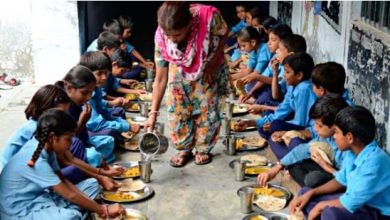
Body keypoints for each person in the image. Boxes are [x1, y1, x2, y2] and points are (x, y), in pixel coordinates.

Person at [0, 109, 126, 219]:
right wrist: (103, 210)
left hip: (43, 198)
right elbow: (70, 194)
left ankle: (76, 210)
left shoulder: (47, 149)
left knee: (92, 184)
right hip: (20, 211)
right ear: (53, 137)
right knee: (70, 216)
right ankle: (75, 211)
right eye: (68, 139)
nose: (71, 143)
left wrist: (100, 208)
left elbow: (63, 181)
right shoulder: (35, 159)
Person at [145, 1, 228, 167]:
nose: (172, 40)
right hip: (179, 73)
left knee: (208, 109)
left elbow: (225, 32)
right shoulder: (162, 38)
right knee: (177, 109)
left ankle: (203, 149)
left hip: (208, 66)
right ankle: (184, 149)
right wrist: (152, 113)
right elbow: (160, 78)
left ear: (190, 24)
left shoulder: (208, 18)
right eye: (168, 35)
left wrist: (215, 60)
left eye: (177, 35)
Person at [289, 106, 390, 220]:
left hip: (377, 213)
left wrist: (320, 206)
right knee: (304, 194)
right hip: (358, 203)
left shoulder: (375, 162)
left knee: (330, 214)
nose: (334, 136)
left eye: (336, 132)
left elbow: (350, 203)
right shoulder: (352, 152)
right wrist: (311, 193)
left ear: (349, 137)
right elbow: (340, 181)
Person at [237, 52, 317, 159]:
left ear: (299, 75)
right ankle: (288, 154)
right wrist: (252, 123)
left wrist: (282, 130)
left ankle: (291, 157)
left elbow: (301, 123)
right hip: (296, 125)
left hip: (307, 130)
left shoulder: (304, 88)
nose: (284, 75)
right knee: (264, 128)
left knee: (275, 127)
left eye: (287, 72)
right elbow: (281, 111)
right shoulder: (292, 86)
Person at [258, 94, 349, 188]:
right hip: (322, 166)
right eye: (315, 124)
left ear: (335, 126)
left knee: (312, 179)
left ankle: (314, 190)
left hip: (336, 175)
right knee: (294, 164)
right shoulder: (326, 136)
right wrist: (276, 169)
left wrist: (326, 166)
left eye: (319, 126)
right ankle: (311, 187)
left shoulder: (346, 145)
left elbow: (348, 180)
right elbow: (304, 149)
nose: (315, 129)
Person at [79, 51, 141, 151]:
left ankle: (119, 140)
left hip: (95, 123)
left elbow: (104, 112)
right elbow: (96, 124)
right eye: (99, 73)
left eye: (106, 73)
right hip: (86, 131)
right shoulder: (86, 94)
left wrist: (124, 123)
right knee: (110, 132)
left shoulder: (96, 89)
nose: (104, 77)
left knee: (117, 117)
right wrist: (126, 126)